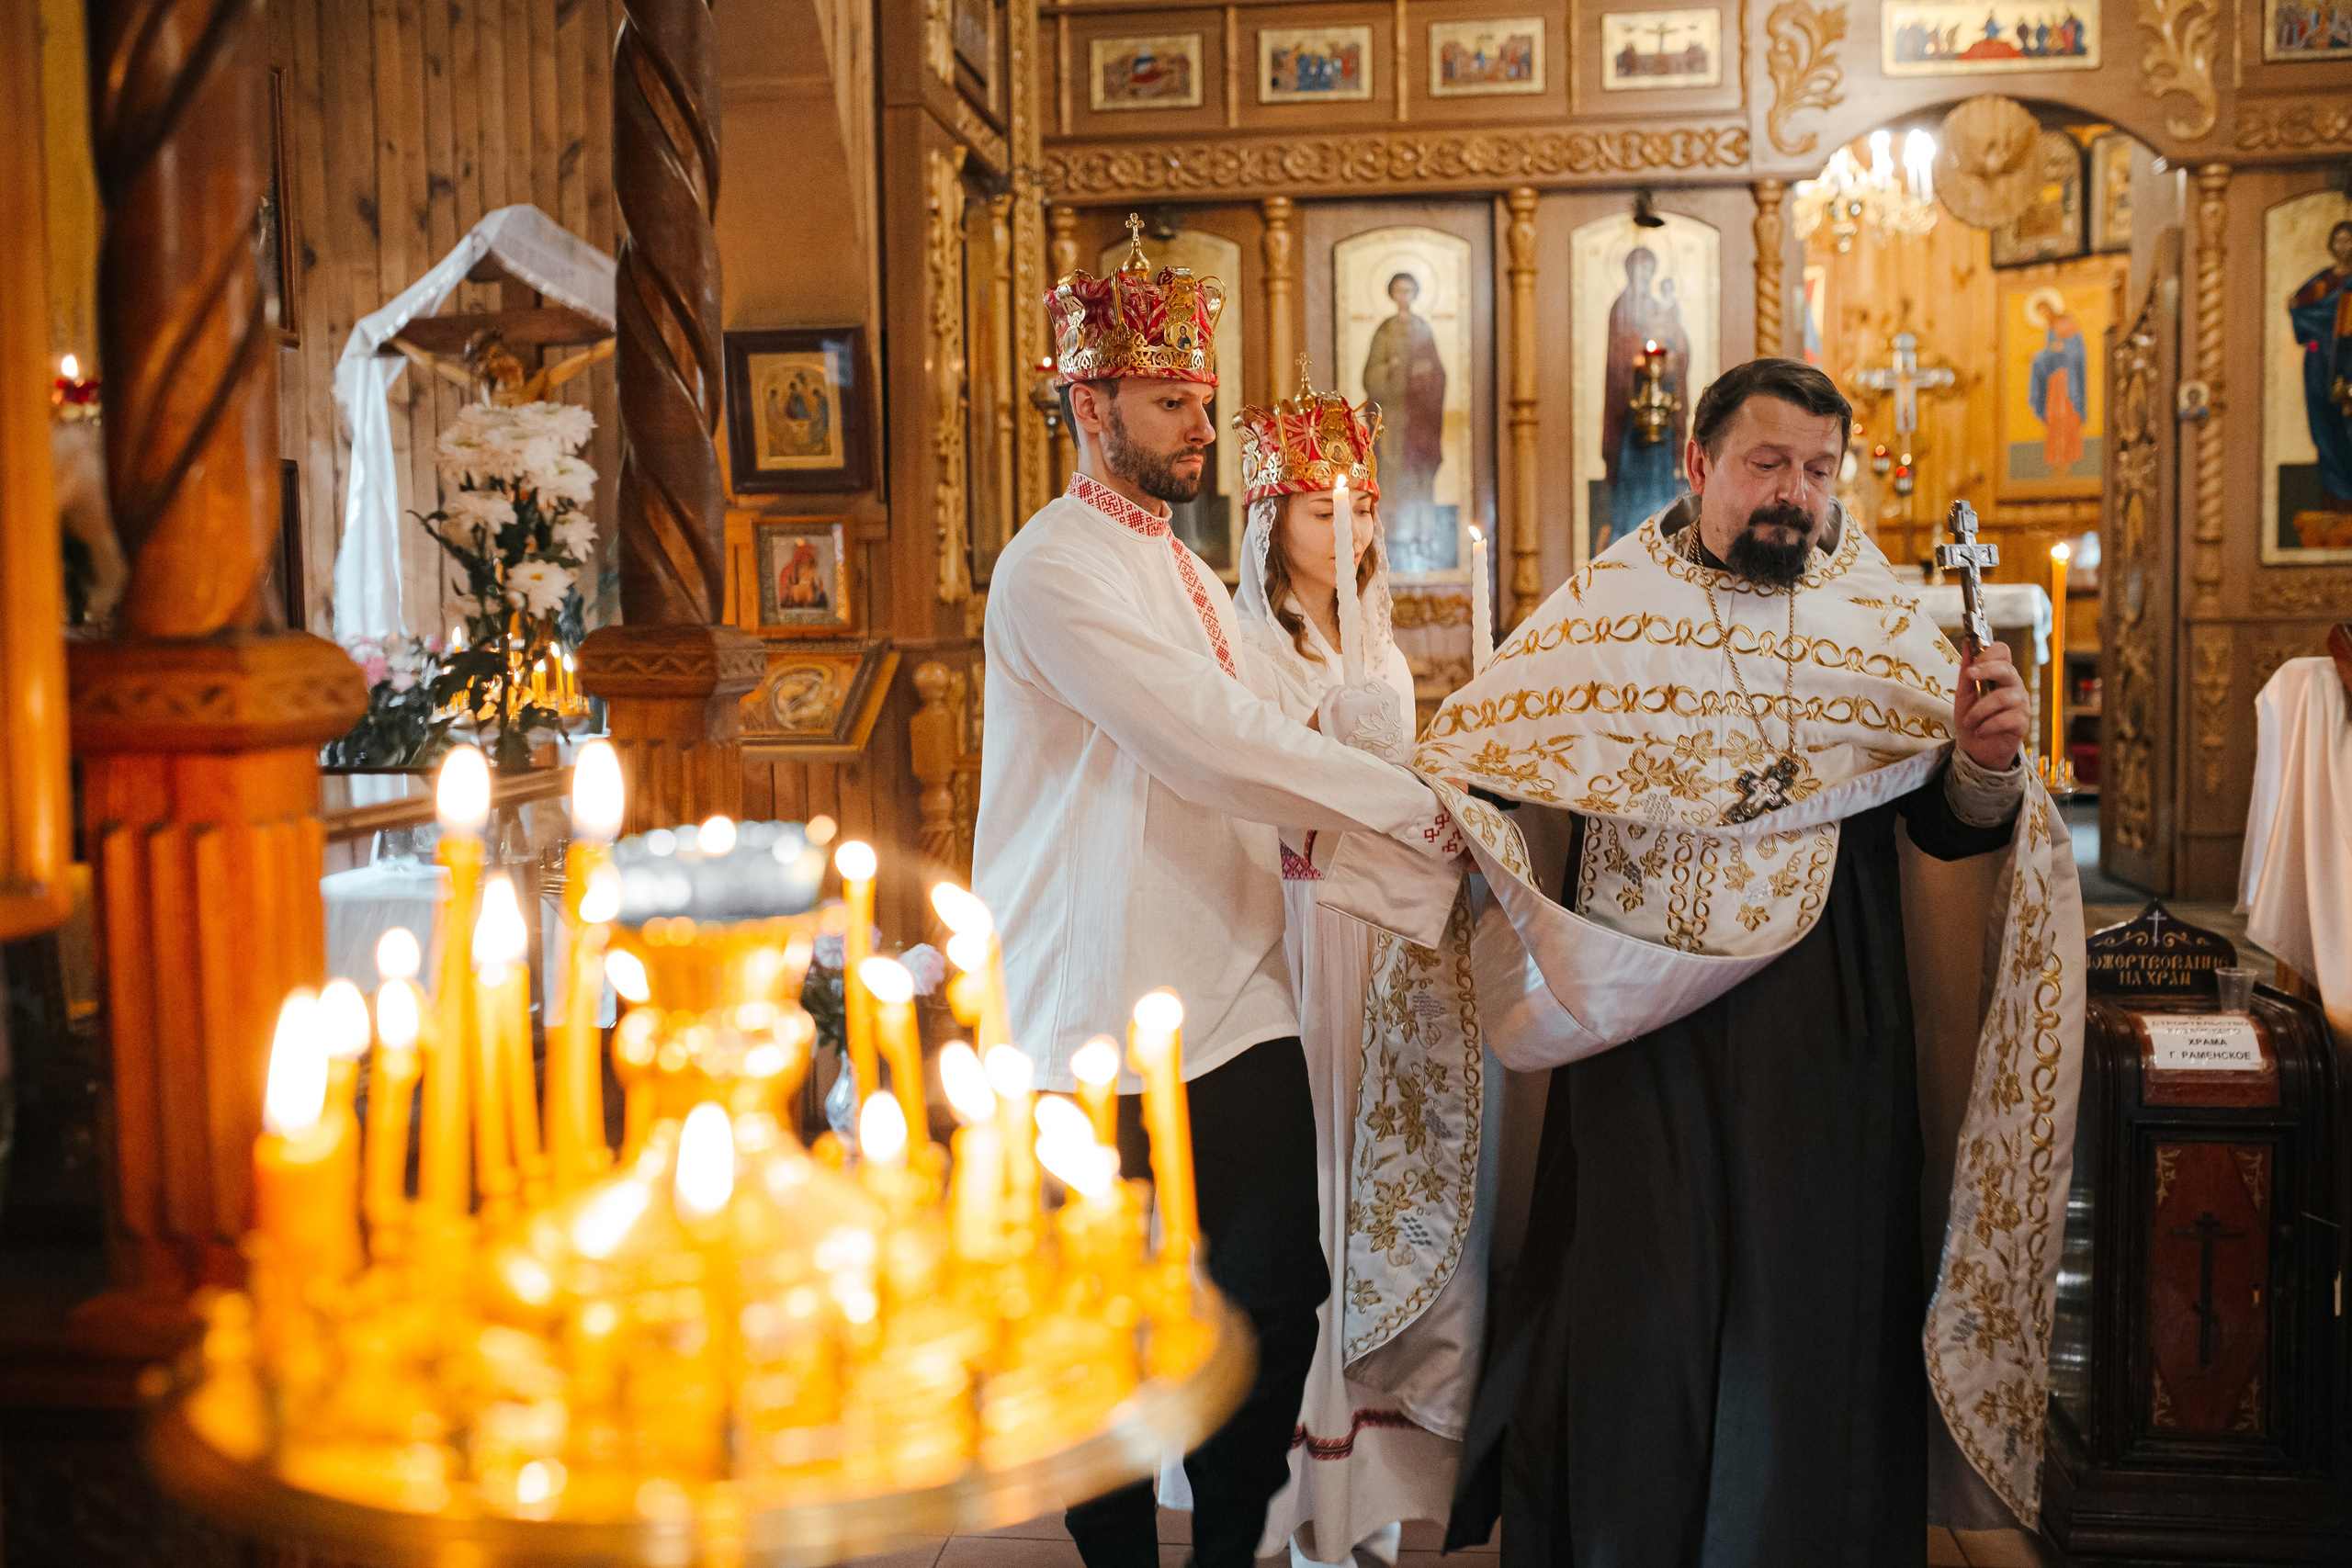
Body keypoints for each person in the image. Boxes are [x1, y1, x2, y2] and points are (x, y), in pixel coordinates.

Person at [1314, 358, 2086, 1564]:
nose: (1793, 494)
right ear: (1699, 466)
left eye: (1817, 471)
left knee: (1813, 1315)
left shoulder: (1876, 619)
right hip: (1637, 1029)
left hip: (1831, 1029)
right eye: (1766, 464)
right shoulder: (1601, 611)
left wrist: (1985, 762)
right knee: (1643, 1312)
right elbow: (1501, 786)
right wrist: (1442, 805)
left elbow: (1951, 826)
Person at [976, 219, 1469, 1568]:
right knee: (1104, 1332)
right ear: (1089, 402)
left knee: (1274, 1294)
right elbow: (1206, 731)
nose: (1201, 424)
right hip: (1086, 1009)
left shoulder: (1196, 573)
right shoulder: (1054, 565)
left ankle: (1226, 1544)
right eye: (1168, 401)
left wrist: (1448, 775)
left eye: (1203, 399)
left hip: (1237, 995)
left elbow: (1290, 716)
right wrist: (1411, 807)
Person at [1227, 368, 1498, 1568]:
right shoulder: (1244, 645)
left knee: (1391, 1180)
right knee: (1317, 1187)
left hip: (1384, 938)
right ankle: (1303, 1497)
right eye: (1321, 508)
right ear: (1268, 522)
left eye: (1362, 506)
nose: (1350, 529)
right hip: (1296, 933)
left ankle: (1383, 1491)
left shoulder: (1379, 643)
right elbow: (1249, 788)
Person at [1361, 270, 1448, 567]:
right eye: (1398, 290)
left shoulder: (1423, 328)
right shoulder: (1384, 331)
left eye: (1408, 290)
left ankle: (1424, 539)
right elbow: (1370, 377)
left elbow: (1439, 374)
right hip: (1395, 422)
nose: (1403, 295)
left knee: (1420, 477)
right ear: (1391, 293)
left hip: (1420, 422)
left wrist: (1425, 378)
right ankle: (1393, 543)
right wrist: (1390, 368)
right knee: (1393, 476)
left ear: (1415, 293)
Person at [2288, 219, 2352, 513]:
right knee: (2325, 426)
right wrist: (2298, 307)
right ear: (2331, 245)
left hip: (2349, 365)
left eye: (2349, 240)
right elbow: (2299, 308)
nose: (2344, 246)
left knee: (2347, 424)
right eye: (2338, 240)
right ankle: (2335, 496)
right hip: (2320, 365)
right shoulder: (2323, 283)